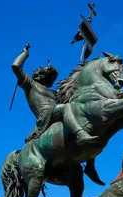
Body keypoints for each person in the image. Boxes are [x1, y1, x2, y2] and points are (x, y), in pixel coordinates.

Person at [11, 44, 104, 185]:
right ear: (41, 75)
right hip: (45, 116)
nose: (51, 82)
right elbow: (16, 67)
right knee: (67, 108)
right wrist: (25, 53)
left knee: (90, 121)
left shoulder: (53, 93)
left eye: (52, 80)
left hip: (57, 113)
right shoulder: (30, 85)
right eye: (50, 78)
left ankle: (90, 167)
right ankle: (80, 134)